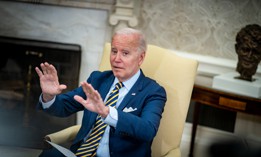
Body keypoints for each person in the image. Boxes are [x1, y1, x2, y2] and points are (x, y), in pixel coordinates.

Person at [35, 27, 167, 157]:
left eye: (125, 53)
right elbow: (64, 107)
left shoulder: (153, 91)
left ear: (140, 58)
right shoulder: (98, 79)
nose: (116, 59)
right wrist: (49, 96)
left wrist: (106, 112)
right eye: (114, 51)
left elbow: (148, 130)